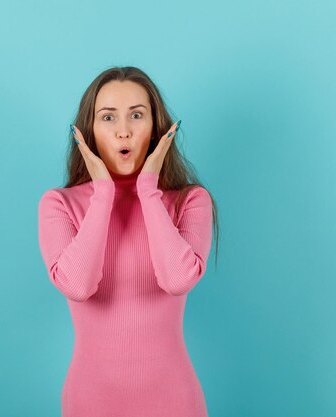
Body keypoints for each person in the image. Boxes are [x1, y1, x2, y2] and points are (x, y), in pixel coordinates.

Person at [37, 66, 220, 417]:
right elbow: (77, 285)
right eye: (108, 118)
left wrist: (148, 191)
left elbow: (177, 279)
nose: (124, 131)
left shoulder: (190, 201)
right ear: (87, 131)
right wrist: (102, 192)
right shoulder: (59, 205)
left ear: (157, 128)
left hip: (174, 403)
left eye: (137, 115)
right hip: (89, 404)